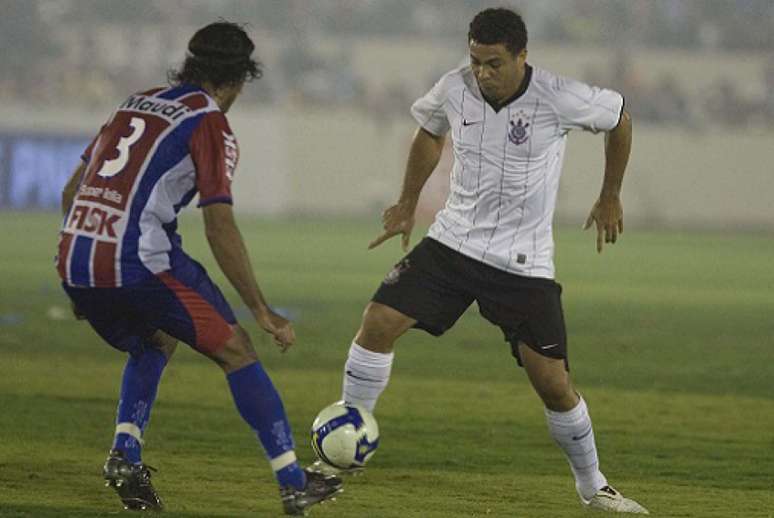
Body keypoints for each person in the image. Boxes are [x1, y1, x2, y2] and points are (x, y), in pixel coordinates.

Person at [334, 8, 648, 515]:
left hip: (522, 263)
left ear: (522, 57)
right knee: (378, 321)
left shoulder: (558, 96)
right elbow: (430, 133)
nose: (482, 73)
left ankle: (594, 488)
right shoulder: (454, 88)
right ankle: (344, 447)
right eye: (476, 61)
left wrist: (610, 193)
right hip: (453, 243)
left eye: (494, 63)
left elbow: (621, 119)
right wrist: (408, 201)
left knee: (553, 383)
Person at [56, 21, 341, 516]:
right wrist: (260, 308)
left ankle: (125, 455)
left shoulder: (135, 101)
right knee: (237, 350)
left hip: (76, 255)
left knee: (156, 338)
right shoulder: (210, 122)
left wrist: (86, 275)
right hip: (137, 259)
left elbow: (71, 190)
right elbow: (219, 227)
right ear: (238, 79)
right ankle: (294, 485)